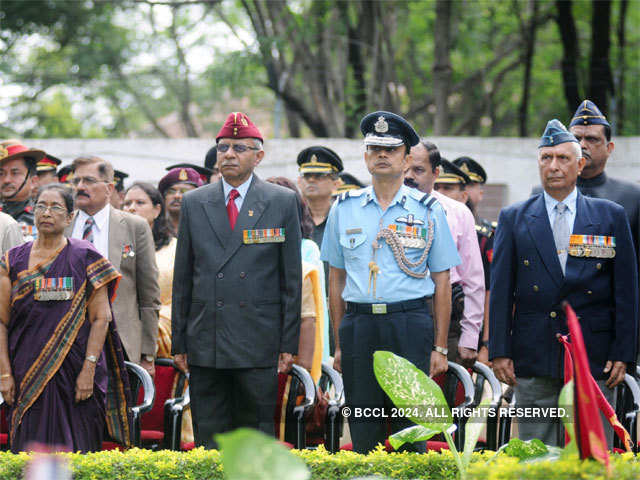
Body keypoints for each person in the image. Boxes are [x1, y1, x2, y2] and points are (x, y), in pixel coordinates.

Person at [490, 119, 638, 447]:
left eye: (563, 158)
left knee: (593, 450)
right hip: (533, 354)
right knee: (536, 449)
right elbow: (501, 290)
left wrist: (623, 351)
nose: (554, 166)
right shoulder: (515, 217)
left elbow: (626, 291)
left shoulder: (610, 215)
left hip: (594, 355)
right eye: (547, 158)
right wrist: (500, 350)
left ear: (580, 164)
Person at [321, 111, 460, 454]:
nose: (383, 155)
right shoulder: (343, 207)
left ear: (406, 157)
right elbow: (335, 280)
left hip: (409, 323)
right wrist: (338, 343)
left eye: (392, 149)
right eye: (375, 148)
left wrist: (440, 347)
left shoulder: (428, 210)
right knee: (364, 423)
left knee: (410, 427)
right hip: (359, 325)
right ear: (366, 156)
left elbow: (443, 283)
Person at [171, 111, 302, 449]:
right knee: (209, 436)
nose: (229, 154)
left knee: (256, 436)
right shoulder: (194, 201)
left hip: (257, 338)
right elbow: (183, 278)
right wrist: (180, 342)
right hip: (206, 337)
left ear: (258, 157)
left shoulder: (281, 201)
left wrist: (288, 344)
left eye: (240, 148)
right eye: (223, 147)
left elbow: (290, 281)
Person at [0, 184, 132, 453]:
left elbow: (100, 318)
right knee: (29, 452)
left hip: (75, 376)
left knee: (76, 451)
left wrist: (89, 369)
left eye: (55, 207)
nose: (46, 213)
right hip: (26, 373)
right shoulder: (12, 260)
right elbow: (1, 322)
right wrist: (4, 374)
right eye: (41, 206)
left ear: (70, 217)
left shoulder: (85, 257)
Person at [65, 156, 160, 378]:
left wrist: (147, 354)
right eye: (76, 181)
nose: (80, 187)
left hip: (120, 342)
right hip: (68, 342)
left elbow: (149, 294)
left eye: (88, 180)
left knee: (120, 411)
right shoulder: (63, 224)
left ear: (109, 188)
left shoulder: (134, 226)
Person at [122, 181, 194, 444]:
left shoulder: (176, 249)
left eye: (139, 203)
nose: (131, 208)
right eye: (127, 203)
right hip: (123, 336)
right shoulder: (119, 248)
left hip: (166, 337)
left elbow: (186, 297)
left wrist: (152, 324)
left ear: (157, 209)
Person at [405, 143, 484, 368]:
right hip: (398, 314)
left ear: (435, 173)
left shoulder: (458, 213)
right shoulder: (385, 209)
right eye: (405, 170)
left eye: (418, 170)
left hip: (446, 318)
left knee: (441, 398)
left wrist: (470, 335)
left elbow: (473, 279)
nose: (409, 177)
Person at [453, 156, 494, 366]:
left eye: (470, 184)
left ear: (480, 192)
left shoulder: (489, 234)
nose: (465, 191)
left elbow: (491, 291)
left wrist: (487, 342)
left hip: (477, 332)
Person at [296, 146, 343, 251]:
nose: (311, 180)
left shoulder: (344, 218)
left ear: (336, 184)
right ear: (299, 181)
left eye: (319, 175)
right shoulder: (293, 217)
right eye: (307, 175)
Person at [0, 141, 44, 242]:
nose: (7, 180)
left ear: (33, 181)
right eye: (1, 173)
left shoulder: (44, 216)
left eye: (15, 173)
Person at [159, 167, 203, 237]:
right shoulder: (155, 228)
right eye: (171, 191)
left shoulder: (205, 229)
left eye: (184, 191)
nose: (177, 196)